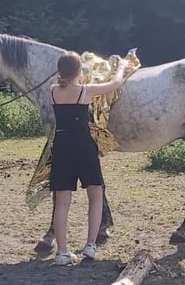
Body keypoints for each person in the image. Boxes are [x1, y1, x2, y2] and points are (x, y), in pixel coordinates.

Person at [49, 51, 129, 265]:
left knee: (62, 202)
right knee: (95, 194)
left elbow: (62, 84)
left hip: (62, 146)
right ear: (79, 71)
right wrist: (121, 66)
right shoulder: (85, 91)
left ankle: (62, 252)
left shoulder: (53, 91)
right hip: (84, 146)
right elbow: (115, 84)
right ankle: (90, 245)